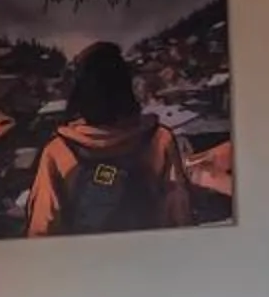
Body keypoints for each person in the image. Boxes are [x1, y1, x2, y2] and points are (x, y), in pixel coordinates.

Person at [26, 41, 194, 238]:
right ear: (126, 87)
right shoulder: (159, 139)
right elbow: (178, 215)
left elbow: (42, 229)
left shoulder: (58, 150)